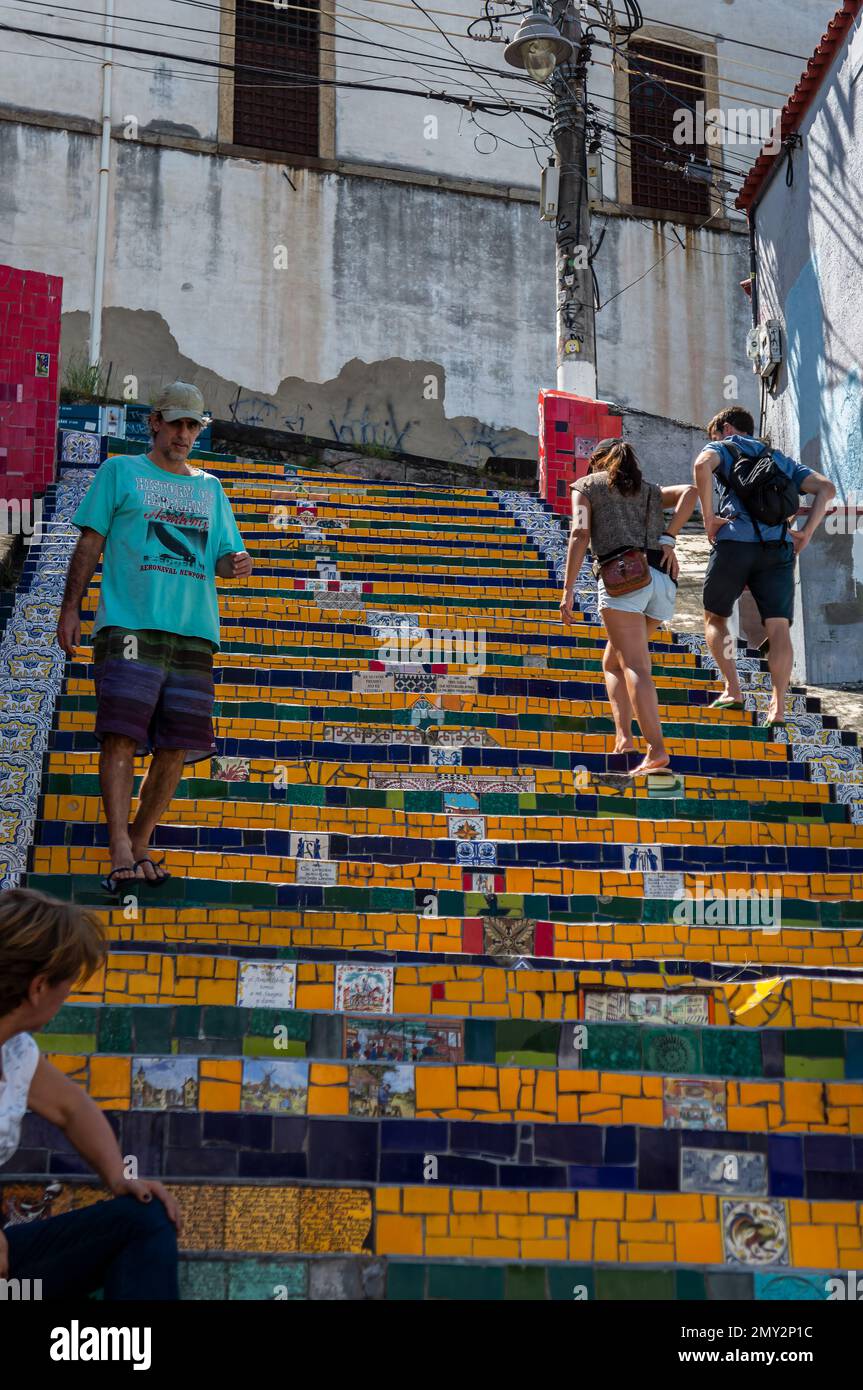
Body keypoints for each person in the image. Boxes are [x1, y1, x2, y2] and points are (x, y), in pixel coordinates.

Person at [54, 382, 254, 895]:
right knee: (121, 734)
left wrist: (236, 566)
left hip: (193, 634)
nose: (184, 434)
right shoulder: (120, 471)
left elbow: (226, 561)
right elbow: (90, 542)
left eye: (193, 426)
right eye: (177, 423)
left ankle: (141, 840)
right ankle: (119, 843)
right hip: (129, 625)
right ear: (155, 423)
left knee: (177, 746)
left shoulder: (211, 489)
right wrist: (70, 609)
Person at [0, 887, 181, 1298]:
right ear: (39, 987)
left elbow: (71, 1109)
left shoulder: (15, 1052)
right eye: (69, 981)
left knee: (145, 1219)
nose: (69, 995)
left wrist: (119, 1176)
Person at [560, 439, 698, 777]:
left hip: (623, 580)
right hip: (662, 583)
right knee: (613, 661)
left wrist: (567, 590)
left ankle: (657, 749)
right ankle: (623, 738)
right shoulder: (649, 489)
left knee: (635, 664)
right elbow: (691, 492)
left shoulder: (585, 487)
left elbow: (579, 533)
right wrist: (669, 537)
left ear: (595, 462)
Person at [694, 407, 836, 726]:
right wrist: (805, 534)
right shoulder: (780, 459)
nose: (712, 441)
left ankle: (733, 690)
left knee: (715, 616)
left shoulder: (723, 447)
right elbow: (826, 489)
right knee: (778, 627)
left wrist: (707, 520)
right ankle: (779, 707)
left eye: (714, 435)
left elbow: (702, 465)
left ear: (726, 428)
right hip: (778, 548)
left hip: (735, 543)